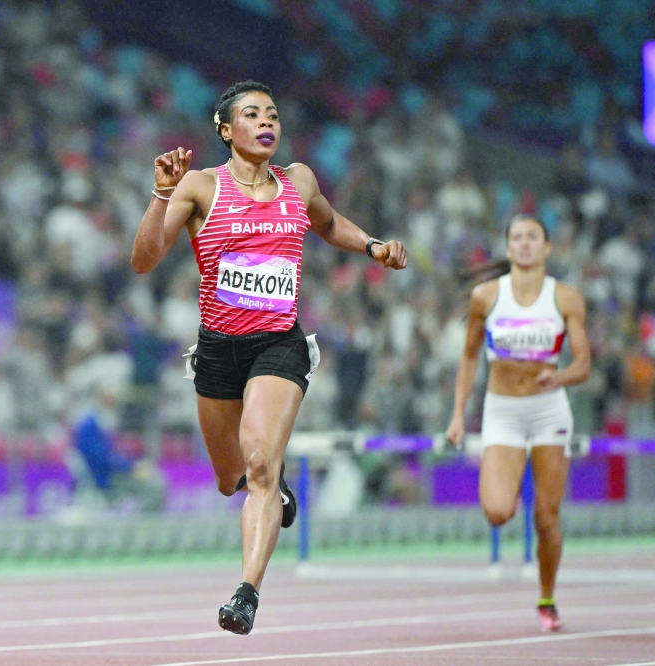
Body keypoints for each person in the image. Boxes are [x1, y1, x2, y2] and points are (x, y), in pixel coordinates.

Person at [131, 80, 408, 634]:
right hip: (217, 351)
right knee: (230, 475)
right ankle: (271, 487)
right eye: (252, 114)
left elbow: (327, 223)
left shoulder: (299, 180)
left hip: (277, 344)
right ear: (226, 129)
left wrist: (373, 245)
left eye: (273, 114)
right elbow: (143, 261)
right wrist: (161, 194)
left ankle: (247, 592)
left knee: (259, 464)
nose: (266, 122)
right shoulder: (199, 187)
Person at [446, 215, 591, 631]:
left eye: (532, 238)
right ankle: (513, 487)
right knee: (496, 510)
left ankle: (547, 598)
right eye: (517, 238)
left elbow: (583, 364)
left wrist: (559, 376)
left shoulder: (565, 298)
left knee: (547, 518)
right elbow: (470, 356)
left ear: (546, 248)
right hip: (503, 411)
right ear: (508, 248)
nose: (524, 244)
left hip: (549, 412)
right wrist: (458, 414)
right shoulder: (486, 296)